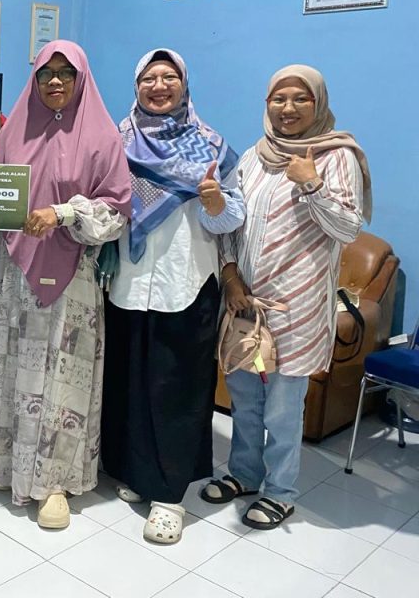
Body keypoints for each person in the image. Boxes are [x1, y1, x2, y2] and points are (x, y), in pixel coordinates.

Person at [0, 40, 132, 530]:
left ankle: (53, 480)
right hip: (11, 274)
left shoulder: (103, 138)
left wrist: (62, 213)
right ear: (33, 78)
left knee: (60, 373)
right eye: (45, 73)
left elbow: (116, 211)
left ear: (81, 79)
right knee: (10, 361)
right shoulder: (14, 129)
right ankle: (3, 461)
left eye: (65, 73)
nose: (55, 81)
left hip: (72, 275)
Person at [201, 64, 370, 529]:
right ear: (267, 104)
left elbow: (348, 228)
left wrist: (311, 183)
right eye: (279, 98)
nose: (288, 108)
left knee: (282, 407)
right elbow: (232, 223)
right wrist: (230, 276)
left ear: (319, 103)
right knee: (245, 398)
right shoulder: (253, 157)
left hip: (297, 309)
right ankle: (244, 473)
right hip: (246, 305)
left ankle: (280, 491)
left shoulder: (337, 156)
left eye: (300, 99)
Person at [101, 48, 245, 545]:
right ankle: (137, 474)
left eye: (169, 77)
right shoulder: (116, 138)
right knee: (132, 380)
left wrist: (215, 202)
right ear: (136, 85)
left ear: (184, 85)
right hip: (127, 281)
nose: (159, 86)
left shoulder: (211, 146)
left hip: (186, 282)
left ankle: (169, 495)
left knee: (177, 389)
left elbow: (231, 220)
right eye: (149, 78)